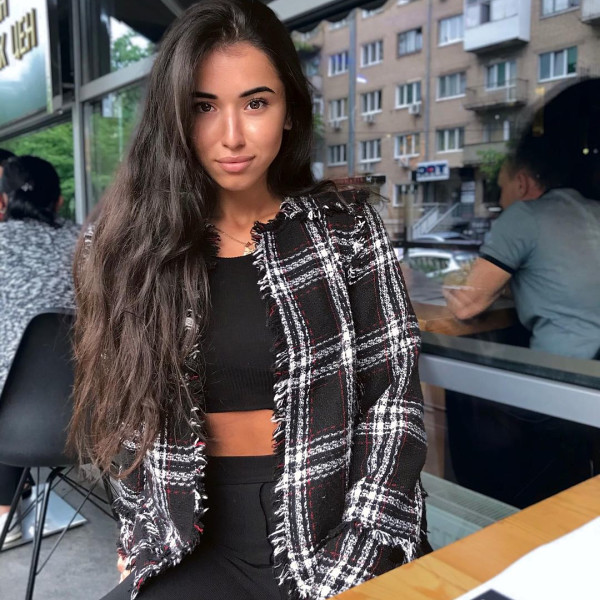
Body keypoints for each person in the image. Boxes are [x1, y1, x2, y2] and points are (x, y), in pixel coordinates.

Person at [68, 2, 429, 599]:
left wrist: (360, 552)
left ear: (289, 110)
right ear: (172, 117)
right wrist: (137, 534)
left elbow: (394, 404)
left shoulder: (345, 230)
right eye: (203, 107)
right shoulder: (123, 249)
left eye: (256, 103)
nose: (232, 135)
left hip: (337, 520)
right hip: (191, 536)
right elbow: (123, 414)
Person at [444, 150, 600, 360]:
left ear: (521, 183)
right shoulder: (591, 211)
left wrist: (449, 286)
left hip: (565, 368)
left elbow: (466, 305)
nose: (500, 200)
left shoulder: (524, 215)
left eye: (501, 188)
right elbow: (558, 282)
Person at [0, 155, 80, 545]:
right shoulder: (92, 242)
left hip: (11, 426)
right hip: (97, 415)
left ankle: (4, 516)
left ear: (3, 202)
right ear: (59, 201)